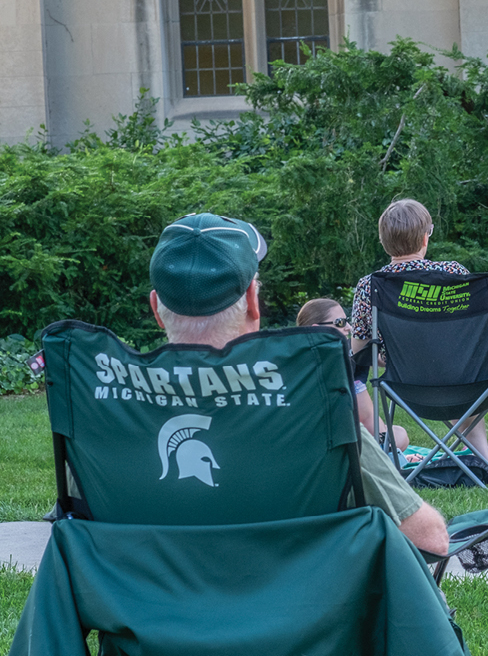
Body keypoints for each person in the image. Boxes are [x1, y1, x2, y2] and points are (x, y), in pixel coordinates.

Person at [148, 213, 449, 555]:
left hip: (145, 605)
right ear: (252, 302)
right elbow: (430, 539)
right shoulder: (311, 401)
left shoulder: (102, 411)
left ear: (156, 308)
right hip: (295, 604)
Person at [348, 198, 488, 474]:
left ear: (383, 242)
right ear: (425, 237)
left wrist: (391, 359)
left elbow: (358, 351)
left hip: (405, 388)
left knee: (447, 374)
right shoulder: (455, 274)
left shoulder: (371, 286)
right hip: (468, 384)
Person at [297, 298, 408, 451]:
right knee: (400, 435)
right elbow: (375, 429)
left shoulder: (295, 366)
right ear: (317, 329)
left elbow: (381, 360)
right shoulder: (341, 366)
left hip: (307, 446)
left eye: (347, 321)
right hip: (345, 449)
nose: (349, 327)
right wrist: (398, 458)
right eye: (340, 322)